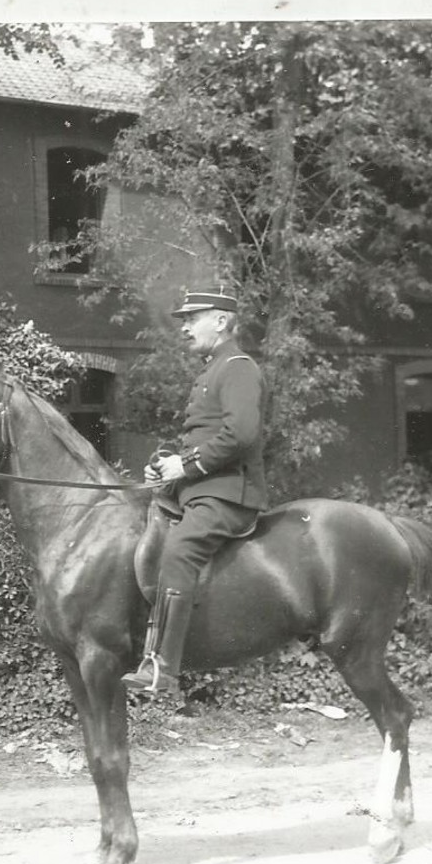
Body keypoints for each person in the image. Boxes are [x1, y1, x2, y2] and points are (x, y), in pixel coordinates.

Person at [123, 288, 268, 698]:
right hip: (200, 490)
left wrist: (186, 466)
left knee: (179, 550)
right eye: (182, 320)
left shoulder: (238, 367)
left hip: (228, 495)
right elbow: (208, 436)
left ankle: (163, 671)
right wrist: (168, 465)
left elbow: (240, 434)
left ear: (221, 321)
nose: (184, 327)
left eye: (192, 318)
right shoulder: (212, 369)